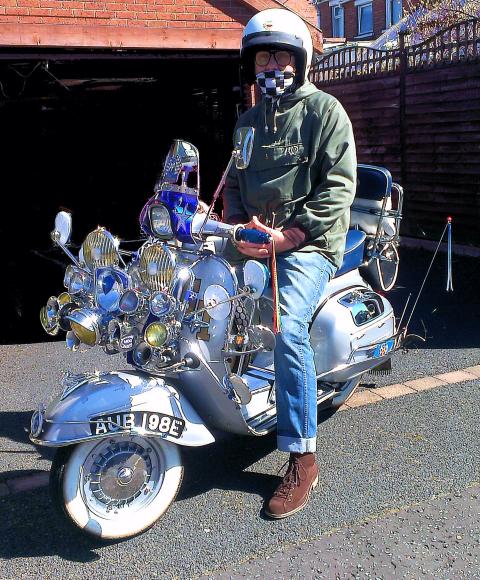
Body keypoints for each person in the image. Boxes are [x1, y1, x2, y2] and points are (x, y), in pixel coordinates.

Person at [222, 8, 357, 519]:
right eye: (262, 56)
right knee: (199, 289)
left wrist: (290, 237)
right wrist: (238, 228)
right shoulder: (247, 124)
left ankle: (302, 454)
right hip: (259, 239)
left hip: (308, 244)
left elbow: (339, 188)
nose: (269, 64)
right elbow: (235, 183)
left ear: (298, 61)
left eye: (278, 54)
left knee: (284, 326)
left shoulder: (325, 113)